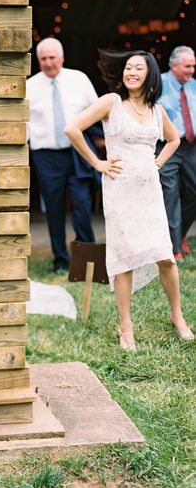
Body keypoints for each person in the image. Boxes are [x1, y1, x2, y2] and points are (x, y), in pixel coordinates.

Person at [64, 49, 194, 350]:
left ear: (149, 74)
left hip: (149, 191)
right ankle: (125, 327)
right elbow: (73, 129)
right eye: (127, 68)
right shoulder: (111, 102)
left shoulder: (157, 110)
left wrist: (158, 162)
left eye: (138, 68)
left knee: (165, 256)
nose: (131, 72)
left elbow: (173, 139)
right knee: (124, 260)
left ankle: (177, 315)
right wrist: (97, 163)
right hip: (120, 190)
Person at [26, 37, 100, 272]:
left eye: (52, 58)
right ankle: (61, 260)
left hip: (77, 151)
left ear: (62, 58)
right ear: (38, 61)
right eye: (44, 59)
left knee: (82, 203)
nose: (48, 63)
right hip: (46, 156)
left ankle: (88, 260)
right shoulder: (29, 86)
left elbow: (96, 110)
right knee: (54, 208)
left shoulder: (79, 79)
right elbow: (23, 123)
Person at [157, 45, 196, 261]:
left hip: (192, 146)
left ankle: (179, 235)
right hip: (167, 146)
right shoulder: (158, 84)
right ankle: (174, 248)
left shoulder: (194, 86)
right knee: (170, 194)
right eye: (187, 66)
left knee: (194, 192)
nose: (191, 70)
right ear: (174, 65)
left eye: (193, 66)